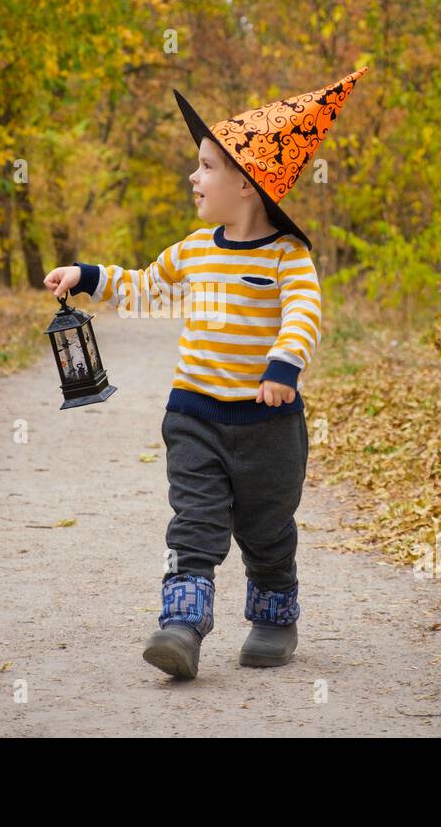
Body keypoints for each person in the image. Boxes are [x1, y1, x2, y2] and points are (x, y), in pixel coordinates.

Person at [42, 68, 367, 679]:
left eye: (207, 167)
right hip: (194, 413)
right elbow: (143, 286)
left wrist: (283, 365)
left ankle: (273, 618)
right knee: (194, 523)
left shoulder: (286, 257)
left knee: (267, 530)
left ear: (246, 184)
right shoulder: (194, 248)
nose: (194, 176)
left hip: (268, 424)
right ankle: (183, 626)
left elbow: (305, 313)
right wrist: (87, 276)